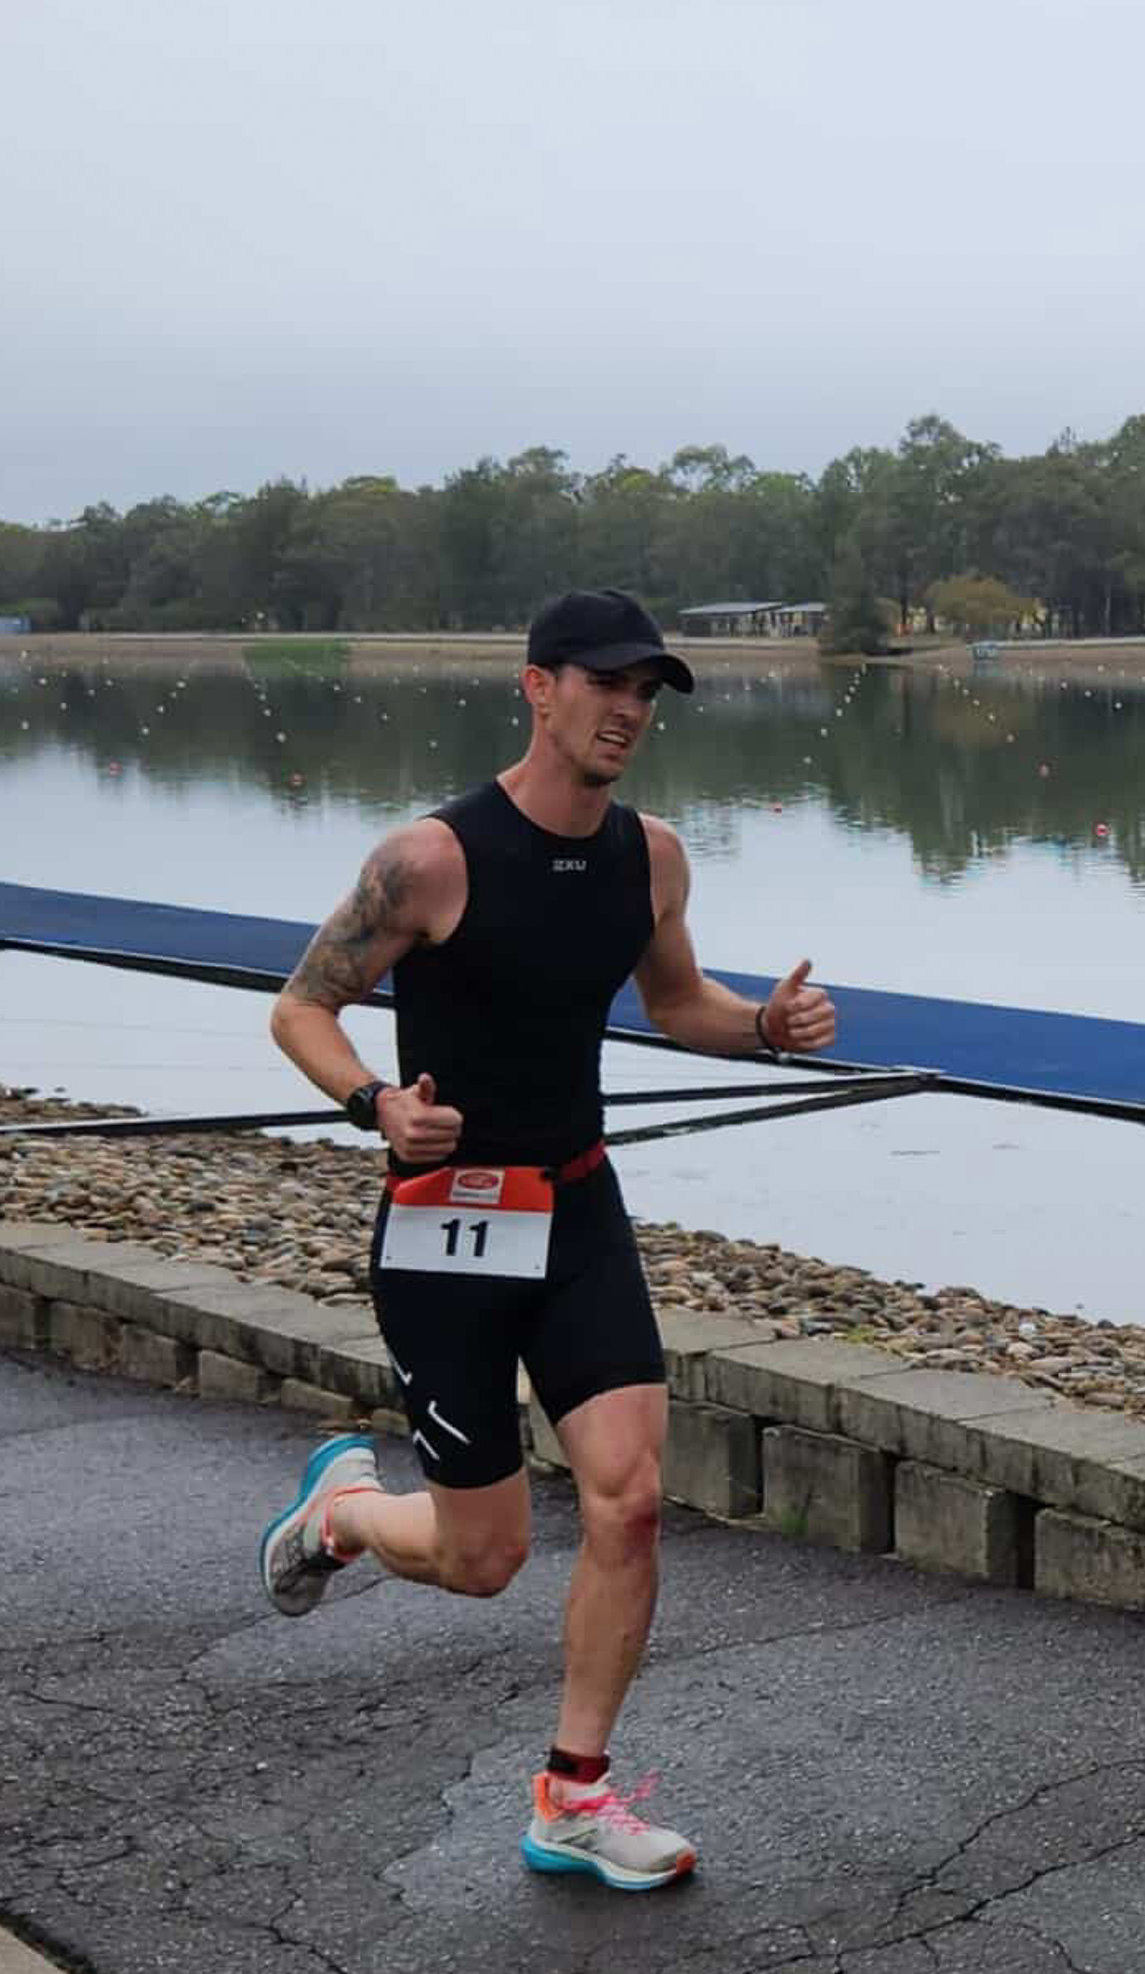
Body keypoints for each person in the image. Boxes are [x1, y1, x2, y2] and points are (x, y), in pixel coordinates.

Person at [260, 588, 837, 1891]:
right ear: (538, 686)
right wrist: (374, 1102)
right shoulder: (429, 860)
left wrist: (764, 1028)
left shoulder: (655, 858)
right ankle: (346, 1510)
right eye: (607, 685)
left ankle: (573, 1798)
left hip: (575, 1206)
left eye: (648, 693)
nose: (629, 712)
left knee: (630, 1499)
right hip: (446, 1224)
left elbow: (676, 998)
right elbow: (303, 1009)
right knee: (485, 1557)